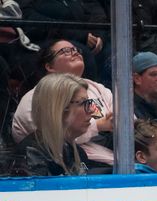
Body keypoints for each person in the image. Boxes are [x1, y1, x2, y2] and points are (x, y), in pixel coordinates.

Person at [12, 40, 114, 168]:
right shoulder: (34, 99)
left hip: (106, 157)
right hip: (89, 163)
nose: (75, 52)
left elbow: (127, 121)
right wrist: (98, 126)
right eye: (66, 51)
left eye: (77, 50)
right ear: (49, 66)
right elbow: (50, 136)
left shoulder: (96, 88)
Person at [15, 73, 92, 176]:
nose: (91, 110)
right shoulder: (32, 154)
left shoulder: (78, 153)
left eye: (90, 103)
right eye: (84, 103)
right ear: (59, 108)